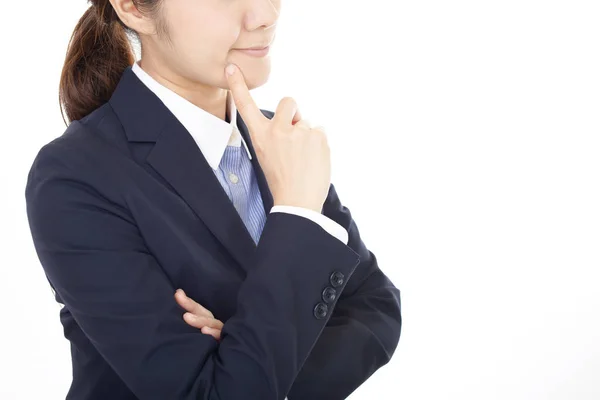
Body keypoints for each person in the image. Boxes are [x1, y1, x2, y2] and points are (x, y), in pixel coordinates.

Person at [24, 0, 402, 399]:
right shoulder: (74, 176)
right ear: (133, 8)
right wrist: (297, 213)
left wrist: (246, 358)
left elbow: (377, 306)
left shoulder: (279, 141)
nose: (266, 15)